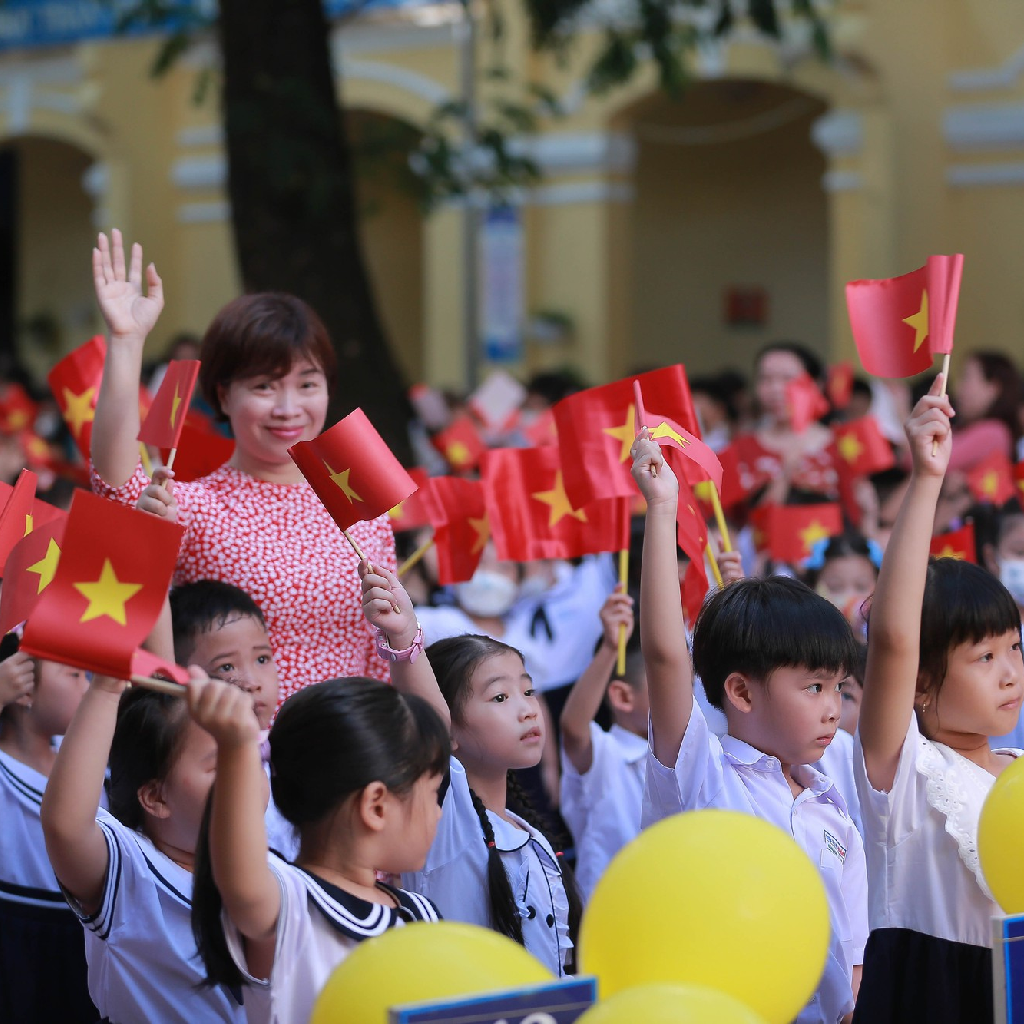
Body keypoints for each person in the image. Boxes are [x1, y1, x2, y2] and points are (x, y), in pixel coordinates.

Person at [89, 230, 396, 706]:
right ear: (224, 395)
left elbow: (385, 658)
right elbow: (114, 484)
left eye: (307, 384)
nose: (289, 407)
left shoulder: (362, 505)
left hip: (355, 758)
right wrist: (126, 342)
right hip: (238, 757)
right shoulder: (188, 506)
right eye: (265, 387)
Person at [631, 429, 867, 1024]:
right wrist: (662, 508)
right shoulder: (701, 773)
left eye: (838, 687)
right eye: (813, 687)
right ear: (738, 691)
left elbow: (853, 960)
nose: (832, 707)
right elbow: (664, 654)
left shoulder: (831, 806)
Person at [854, 377, 1024, 1024]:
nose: (1009, 673)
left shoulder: (1017, 771)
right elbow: (895, 636)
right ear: (921, 683)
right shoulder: (903, 773)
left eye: (1014, 648)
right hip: (932, 992)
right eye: (984, 658)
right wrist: (927, 477)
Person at [360, 561, 582, 976]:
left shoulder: (525, 832)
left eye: (529, 690)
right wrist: (405, 636)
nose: (527, 710)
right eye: (500, 697)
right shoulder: (446, 820)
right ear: (450, 730)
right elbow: (431, 729)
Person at [189, 674, 447, 1024]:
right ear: (376, 806)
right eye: (433, 795)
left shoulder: (421, 914)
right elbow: (243, 888)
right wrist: (237, 747)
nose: (439, 812)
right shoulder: (292, 904)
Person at [40, 675, 244, 1022]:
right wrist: (105, 689)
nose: (246, 772)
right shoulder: (131, 871)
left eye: (246, 751)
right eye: (221, 761)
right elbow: (66, 827)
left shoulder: (270, 865)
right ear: (156, 797)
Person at [169, 578, 298, 860]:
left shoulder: (294, 756)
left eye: (262, 659)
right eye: (226, 666)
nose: (252, 682)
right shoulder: (192, 776)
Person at [0, 642, 96, 1021]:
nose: (87, 687)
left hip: (85, 942)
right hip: (16, 948)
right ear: (22, 688)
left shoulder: (91, 761)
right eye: (74, 675)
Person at [558, 588, 646, 900]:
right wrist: (611, 647)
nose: (682, 695)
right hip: (611, 914)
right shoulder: (606, 755)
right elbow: (573, 727)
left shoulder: (687, 756)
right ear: (623, 696)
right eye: (664, 683)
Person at [728, 341, 838, 509]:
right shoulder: (741, 447)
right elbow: (731, 522)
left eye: (788, 378)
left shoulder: (840, 445)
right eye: (766, 379)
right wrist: (785, 475)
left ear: (816, 384)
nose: (776, 389)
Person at [949, 351, 1022, 473]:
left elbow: (931, 459)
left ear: (993, 388)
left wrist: (905, 414)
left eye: (967, 378)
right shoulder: (965, 427)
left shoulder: (994, 431)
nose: (958, 387)